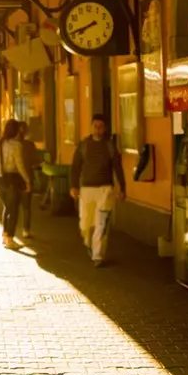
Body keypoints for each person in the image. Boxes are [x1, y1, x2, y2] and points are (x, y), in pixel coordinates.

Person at [70, 114, 126, 266]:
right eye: (95, 126)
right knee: (85, 224)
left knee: (101, 224)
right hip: (86, 189)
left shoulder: (109, 146)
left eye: (101, 127)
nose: (98, 129)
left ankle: (98, 255)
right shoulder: (83, 145)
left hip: (105, 189)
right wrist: (74, 186)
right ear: (91, 126)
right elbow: (75, 167)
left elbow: (117, 167)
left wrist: (122, 186)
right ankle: (88, 242)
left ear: (105, 128)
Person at [0, 119, 36, 249]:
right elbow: (19, 165)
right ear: (16, 131)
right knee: (14, 210)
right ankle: (10, 238)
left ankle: (5, 236)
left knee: (7, 208)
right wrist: (27, 180)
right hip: (11, 181)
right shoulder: (16, 145)